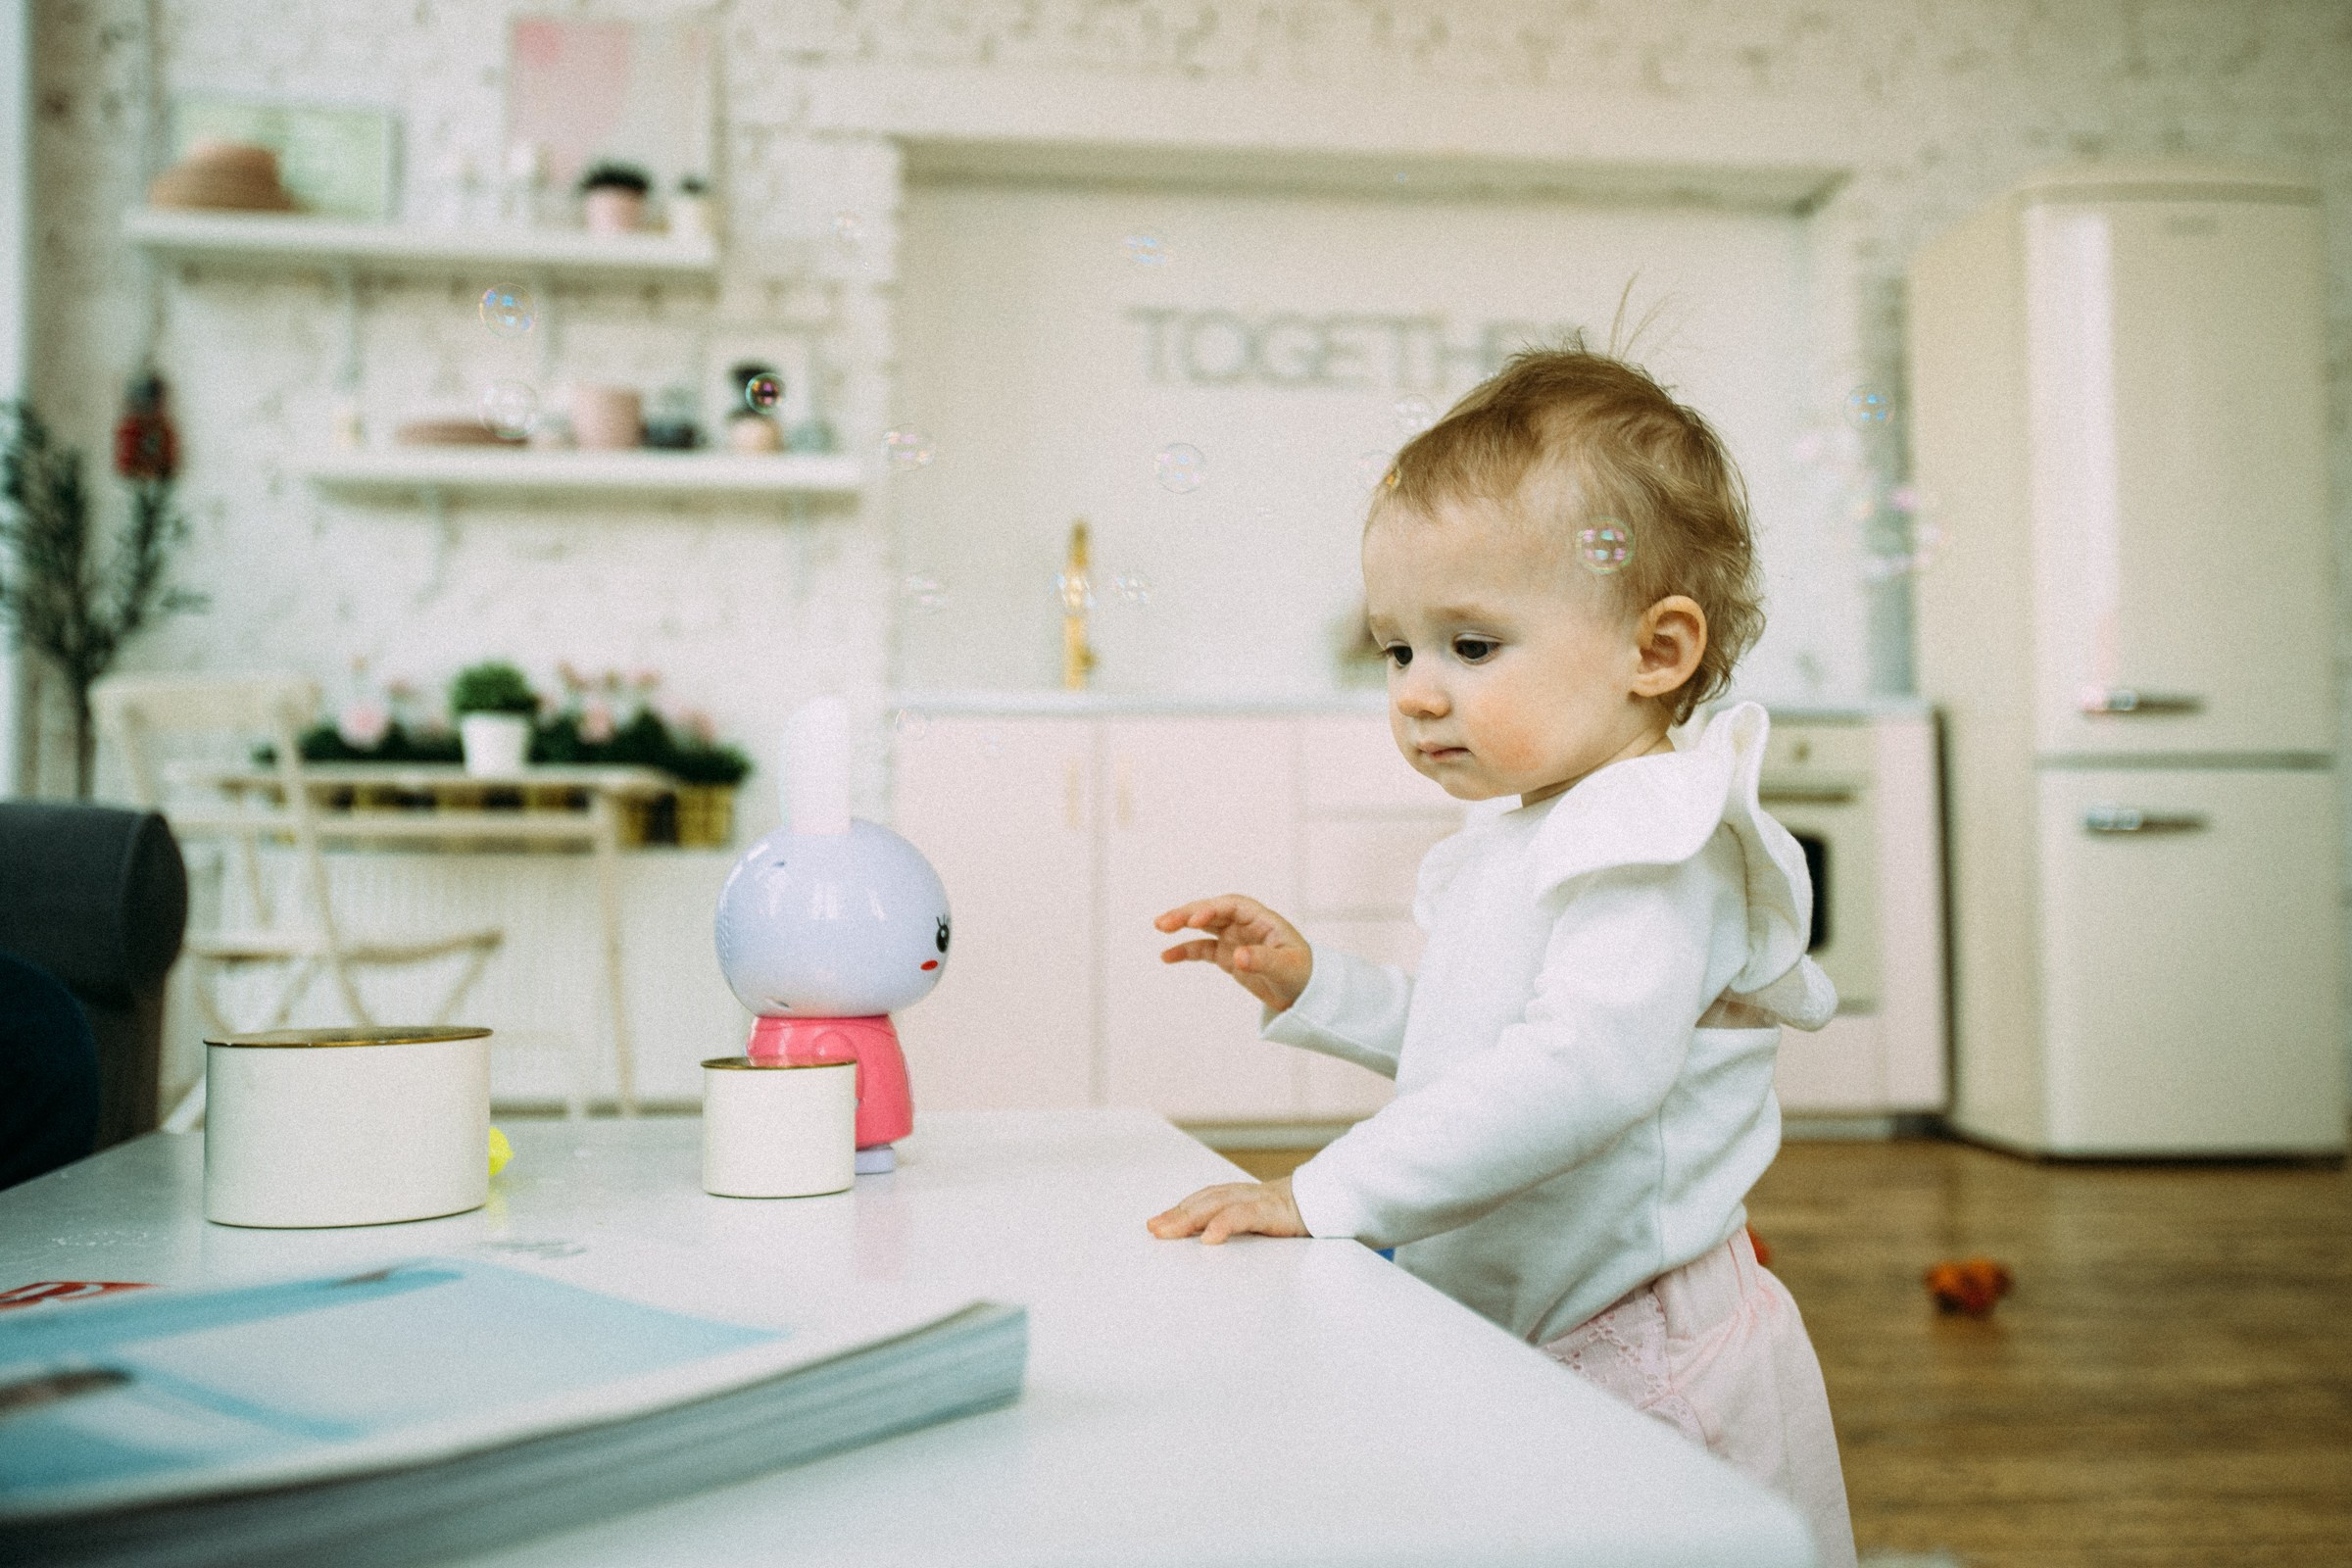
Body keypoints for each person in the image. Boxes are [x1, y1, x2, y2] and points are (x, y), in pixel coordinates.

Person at [1146, 344, 1856, 1565]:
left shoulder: (1655, 838)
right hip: (1547, 1318)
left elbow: (1581, 1070)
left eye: (1470, 647)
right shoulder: (1535, 827)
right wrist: (1322, 988)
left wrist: (1324, 1192)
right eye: (1397, 649)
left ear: (1658, 650)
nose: (1419, 693)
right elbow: (1480, 1037)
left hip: (1646, 1356)